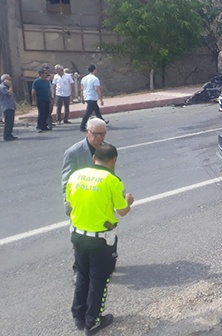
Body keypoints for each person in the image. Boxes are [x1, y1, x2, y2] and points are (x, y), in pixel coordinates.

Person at [66, 143, 134, 334]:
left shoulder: (76, 175)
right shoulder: (112, 180)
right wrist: (128, 201)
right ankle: (93, 320)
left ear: (94, 157)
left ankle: (78, 315)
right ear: (114, 160)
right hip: (100, 240)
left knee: (82, 274)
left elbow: (71, 203)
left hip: (78, 235)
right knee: (99, 280)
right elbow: (122, 211)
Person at [62, 118, 109, 284]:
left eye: (102, 134)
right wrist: (68, 204)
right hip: (81, 205)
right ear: (87, 133)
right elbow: (66, 181)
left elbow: (112, 175)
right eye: (95, 134)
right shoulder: (74, 152)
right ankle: (79, 270)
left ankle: (105, 262)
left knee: (103, 236)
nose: (99, 138)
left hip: (100, 203)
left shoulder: (107, 149)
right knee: (80, 239)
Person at [79, 64, 107, 132]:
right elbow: (97, 89)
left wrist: (82, 97)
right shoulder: (95, 79)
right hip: (92, 97)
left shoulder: (84, 78)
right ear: (94, 70)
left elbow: (82, 89)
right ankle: (82, 126)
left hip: (86, 96)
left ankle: (102, 122)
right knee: (88, 112)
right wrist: (101, 99)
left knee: (97, 110)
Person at [31, 68, 52, 133]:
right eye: (45, 73)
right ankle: (39, 126)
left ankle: (44, 126)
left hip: (47, 99)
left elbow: (49, 90)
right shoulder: (36, 81)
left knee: (46, 112)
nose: (46, 74)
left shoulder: (47, 81)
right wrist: (33, 100)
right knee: (41, 113)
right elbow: (33, 91)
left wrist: (50, 98)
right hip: (40, 99)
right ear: (41, 74)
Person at [0, 74, 18, 141]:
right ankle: (6, 136)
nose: (10, 80)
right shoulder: (2, 87)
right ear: (4, 80)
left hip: (11, 106)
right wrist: (10, 86)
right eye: (8, 79)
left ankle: (10, 134)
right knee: (8, 122)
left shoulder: (7, 87)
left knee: (11, 122)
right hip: (6, 107)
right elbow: (9, 93)